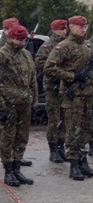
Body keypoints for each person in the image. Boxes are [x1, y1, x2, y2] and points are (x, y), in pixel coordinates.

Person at [44, 16, 93, 181]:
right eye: (80, 26)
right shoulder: (63, 46)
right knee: (73, 130)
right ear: (71, 27)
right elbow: (49, 68)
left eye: (85, 26)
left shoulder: (86, 46)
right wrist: (72, 76)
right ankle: (73, 164)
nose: (83, 29)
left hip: (88, 95)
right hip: (73, 96)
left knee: (85, 130)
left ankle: (83, 160)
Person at [0, 25, 37, 186]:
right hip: (9, 103)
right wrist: (1, 105)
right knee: (8, 137)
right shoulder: (2, 55)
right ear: (11, 38)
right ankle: (8, 170)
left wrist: (34, 99)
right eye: (18, 39)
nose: (21, 42)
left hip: (24, 102)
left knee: (22, 136)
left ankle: (17, 169)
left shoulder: (26, 55)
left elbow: (32, 79)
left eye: (23, 39)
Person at [35, 19, 68, 163]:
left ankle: (61, 147)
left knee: (65, 120)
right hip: (53, 88)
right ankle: (53, 149)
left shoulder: (67, 45)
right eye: (61, 29)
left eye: (65, 28)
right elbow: (39, 62)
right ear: (54, 30)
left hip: (65, 87)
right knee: (54, 120)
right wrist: (55, 63)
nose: (64, 31)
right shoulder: (47, 46)